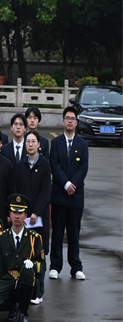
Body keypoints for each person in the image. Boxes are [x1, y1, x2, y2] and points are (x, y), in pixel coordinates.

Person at [0, 194, 46, 322]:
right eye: (14, 212)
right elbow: (0, 266)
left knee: (27, 270)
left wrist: (33, 265)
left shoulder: (34, 238)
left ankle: (23, 313)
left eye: (20, 213)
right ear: (10, 214)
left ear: (26, 215)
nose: (17, 216)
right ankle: (12, 307)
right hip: (9, 279)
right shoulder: (3, 237)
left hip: (26, 282)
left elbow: (42, 265)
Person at [48, 107, 89, 281]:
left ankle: (76, 266)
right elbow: (54, 165)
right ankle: (55, 266)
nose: (70, 121)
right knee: (57, 233)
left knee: (73, 234)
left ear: (76, 122)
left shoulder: (82, 144)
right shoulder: (56, 143)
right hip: (59, 195)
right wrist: (65, 183)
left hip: (76, 197)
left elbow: (83, 168)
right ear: (63, 121)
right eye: (67, 118)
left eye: (73, 118)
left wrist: (73, 184)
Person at [14, 130, 51, 303]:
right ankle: (25, 289)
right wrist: (22, 214)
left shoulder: (44, 165)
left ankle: (39, 292)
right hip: (24, 218)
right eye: (27, 141)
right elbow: (17, 191)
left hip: (39, 218)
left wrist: (36, 212)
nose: (30, 144)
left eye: (33, 141)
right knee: (24, 254)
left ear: (39, 145)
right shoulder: (20, 165)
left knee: (38, 254)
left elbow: (45, 191)